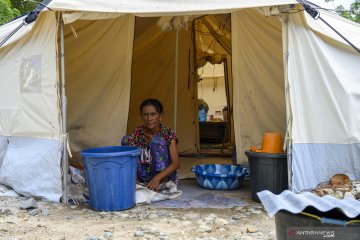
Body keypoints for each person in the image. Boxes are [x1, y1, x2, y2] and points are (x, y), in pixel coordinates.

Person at [121, 98, 180, 191]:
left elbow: (176, 163)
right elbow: (130, 157)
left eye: (153, 114)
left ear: (160, 115)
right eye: (146, 115)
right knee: (126, 140)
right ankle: (137, 182)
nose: (149, 119)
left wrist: (157, 178)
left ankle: (160, 183)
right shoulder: (138, 132)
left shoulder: (168, 133)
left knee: (156, 142)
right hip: (144, 176)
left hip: (163, 177)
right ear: (141, 116)